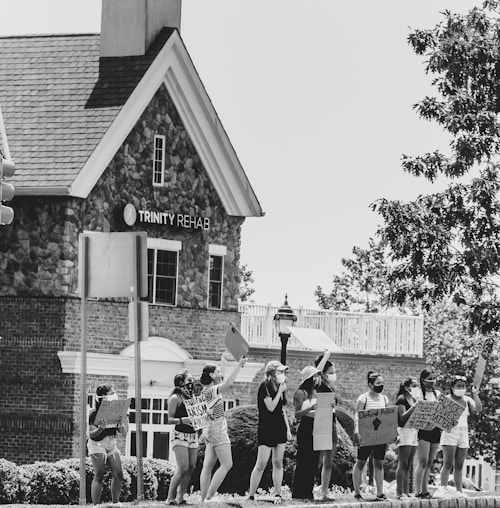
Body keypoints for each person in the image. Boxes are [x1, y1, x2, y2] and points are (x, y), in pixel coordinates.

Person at [199, 356, 247, 502]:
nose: (220, 374)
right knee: (227, 464)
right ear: (212, 375)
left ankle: (204, 500)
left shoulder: (205, 391)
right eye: (218, 372)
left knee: (207, 467)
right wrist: (239, 365)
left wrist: (223, 362)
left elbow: (221, 378)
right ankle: (209, 497)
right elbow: (229, 383)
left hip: (211, 428)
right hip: (218, 428)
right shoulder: (213, 390)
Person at [248, 360, 292, 503]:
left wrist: (288, 428)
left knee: (278, 462)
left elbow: (281, 409)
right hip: (267, 427)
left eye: (283, 372)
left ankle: (277, 494)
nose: (282, 374)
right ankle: (251, 495)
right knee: (261, 463)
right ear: (272, 372)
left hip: (279, 427)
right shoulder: (265, 386)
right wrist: (279, 391)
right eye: (279, 372)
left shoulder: (280, 386)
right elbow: (271, 407)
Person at [434, 375, 482, 498]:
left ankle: (459, 491)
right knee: (448, 463)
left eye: (463, 386)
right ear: (452, 387)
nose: (461, 388)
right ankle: (442, 488)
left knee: (459, 465)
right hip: (450, 432)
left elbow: (478, 409)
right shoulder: (446, 399)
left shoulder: (467, 399)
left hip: (463, 431)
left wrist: (475, 394)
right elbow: (438, 418)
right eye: (458, 386)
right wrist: (449, 422)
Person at [87, 384, 128, 505]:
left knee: (118, 474)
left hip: (111, 443)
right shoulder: (94, 413)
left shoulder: (116, 411)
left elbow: (124, 431)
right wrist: (100, 429)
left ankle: (115, 503)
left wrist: (121, 426)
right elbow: (91, 434)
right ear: (103, 397)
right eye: (112, 392)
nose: (114, 394)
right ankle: (96, 505)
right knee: (99, 474)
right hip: (97, 444)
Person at [352, 371, 389, 501]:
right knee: (361, 462)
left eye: (382, 383)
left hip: (380, 436)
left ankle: (380, 492)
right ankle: (357, 492)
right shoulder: (363, 398)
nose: (381, 385)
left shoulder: (384, 399)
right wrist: (356, 431)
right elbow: (358, 415)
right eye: (378, 383)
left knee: (379, 463)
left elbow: (387, 417)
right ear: (370, 384)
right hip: (366, 434)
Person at [166, 370, 198, 506]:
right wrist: (183, 420)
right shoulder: (175, 398)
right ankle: (170, 498)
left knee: (191, 467)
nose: (192, 383)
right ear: (181, 383)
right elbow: (169, 419)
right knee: (182, 467)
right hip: (180, 435)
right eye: (189, 380)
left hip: (193, 435)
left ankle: (180, 497)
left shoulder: (193, 397)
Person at [291, 365, 322, 500]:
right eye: (314, 376)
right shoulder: (300, 393)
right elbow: (297, 414)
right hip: (306, 426)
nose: (317, 379)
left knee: (314, 460)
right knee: (303, 460)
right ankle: (298, 492)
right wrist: (310, 407)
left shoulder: (315, 392)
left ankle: (309, 491)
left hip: (317, 426)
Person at [314, 350, 338, 500]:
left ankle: (324, 492)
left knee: (329, 461)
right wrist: (326, 356)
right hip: (321, 423)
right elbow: (316, 372)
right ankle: (309, 488)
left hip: (332, 424)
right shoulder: (318, 382)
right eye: (331, 371)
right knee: (317, 460)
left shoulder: (330, 386)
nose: (333, 374)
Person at [414, 368, 441, 499]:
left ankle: (425, 490)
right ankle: (417, 490)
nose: (432, 381)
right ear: (423, 380)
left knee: (430, 462)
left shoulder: (438, 394)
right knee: (423, 461)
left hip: (436, 430)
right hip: (423, 430)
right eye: (429, 379)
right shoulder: (418, 394)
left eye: (434, 378)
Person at [395, 377, 419, 499]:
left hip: (414, 431)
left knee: (409, 464)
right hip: (405, 431)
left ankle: (407, 491)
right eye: (414, 386)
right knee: (402, 462)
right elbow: (402, 417)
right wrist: (414, 407)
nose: (416, 388)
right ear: (406, 387)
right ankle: (400, 492)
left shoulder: (413, 399)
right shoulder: (401, 399)